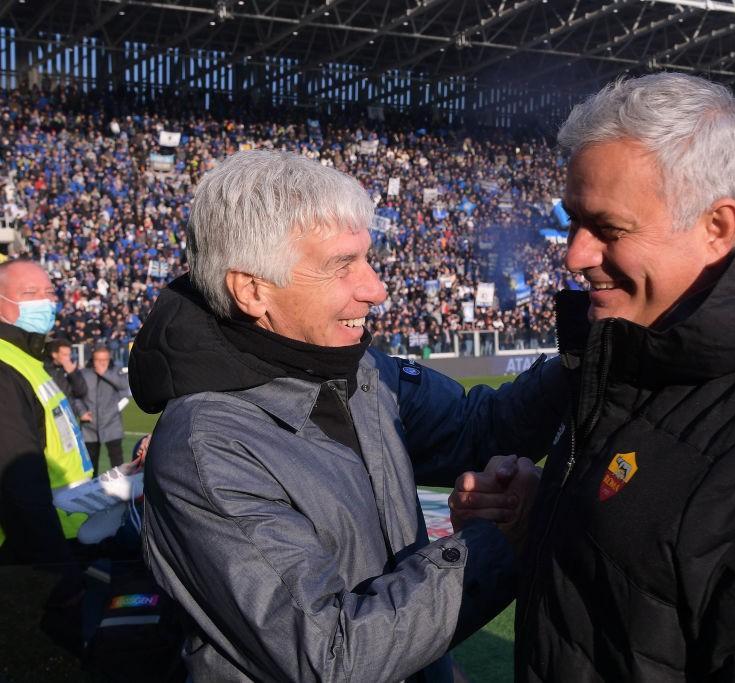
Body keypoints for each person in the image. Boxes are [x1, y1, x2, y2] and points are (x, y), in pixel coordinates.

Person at [450, 73, 735, 680]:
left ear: (717, 227)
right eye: (574, 221)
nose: (574, 255)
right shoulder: (626, 363)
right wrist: (540, 528)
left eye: (608, 229)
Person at [129, 149, 564, 681]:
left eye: (367, 258)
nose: (376, 289)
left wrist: (580, 364)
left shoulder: (359, 371)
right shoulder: (207, 445)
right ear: (252, 290)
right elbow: (330, 657)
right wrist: (497, 544)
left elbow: (477, 430)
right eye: (342, 266)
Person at [0, 259, 91, 602]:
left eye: (49, 292)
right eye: (29, 293)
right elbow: (18, 484)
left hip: (67, 531)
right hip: (33, 554)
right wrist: (59, 570)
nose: (45, 300)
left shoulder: (27, 359)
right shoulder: (6, 367)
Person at [75, 346, 132, 475]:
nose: (102, 363)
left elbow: (125, 385)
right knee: (90, 464)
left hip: (112, 423)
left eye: (105, 359)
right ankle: (89, 490)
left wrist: (105, 373)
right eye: (98, 360)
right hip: (89, 426)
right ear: (92, 359)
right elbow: (76, 396)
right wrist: (81, 412)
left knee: (117, 462)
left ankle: (120, 490)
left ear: (109, 359)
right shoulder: (84, 374)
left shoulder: (116, 372)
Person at [44, 338, 88, 415]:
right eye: (64, 355)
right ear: (54, 354)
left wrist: (72, 374)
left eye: (69, 354)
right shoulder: (45, 369)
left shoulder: (72, 369)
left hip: (68, 412)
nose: (68, 358)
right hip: (49, 411)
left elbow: (81, 392)